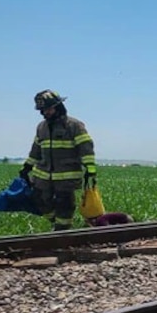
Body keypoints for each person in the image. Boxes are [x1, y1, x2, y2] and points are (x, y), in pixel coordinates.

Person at [21, 90, 97, 231]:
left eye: (48, 109)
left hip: (66, 177)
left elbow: (86, 148)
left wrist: (90, 169)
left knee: (64, 206)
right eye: (42, 110)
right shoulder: (41, 127)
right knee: (39, 201)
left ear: (58, 106)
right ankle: (57, 225)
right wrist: (27, 167)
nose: (45, 113)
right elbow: (36, 150)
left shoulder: (74, 126)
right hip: (43, 176)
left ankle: (61, 234)